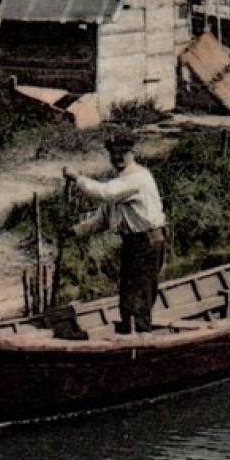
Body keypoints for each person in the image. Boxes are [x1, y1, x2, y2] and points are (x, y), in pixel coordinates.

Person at [62, 131, 167, 335]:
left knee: (139, 294)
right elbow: (102, 219)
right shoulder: (120, 182)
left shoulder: (137, 178)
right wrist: (74, 231)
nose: (117, 158)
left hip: (147, 242)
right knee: (128, 294)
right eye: (113, 154)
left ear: (132, 153)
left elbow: (105, 192)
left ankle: (141, 338)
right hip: (133, 244)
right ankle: (131, 332)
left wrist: (77, 178)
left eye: (122, 153)